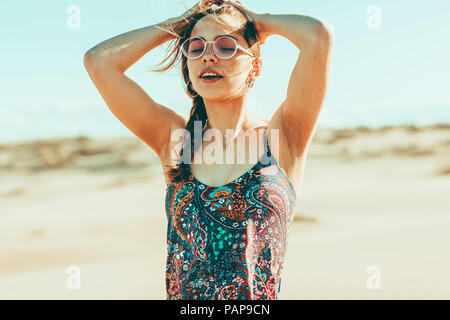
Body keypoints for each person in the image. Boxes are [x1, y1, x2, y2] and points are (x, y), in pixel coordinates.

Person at [84, 0, 334, 300]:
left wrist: (260, 23)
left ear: (255, 65)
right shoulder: (178, 141)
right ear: (187, 65)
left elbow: (318, 35)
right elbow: (98, 61)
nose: (208, 57)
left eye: (226, 47)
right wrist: (177, 26)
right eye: (196, 47)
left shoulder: (282, 137)